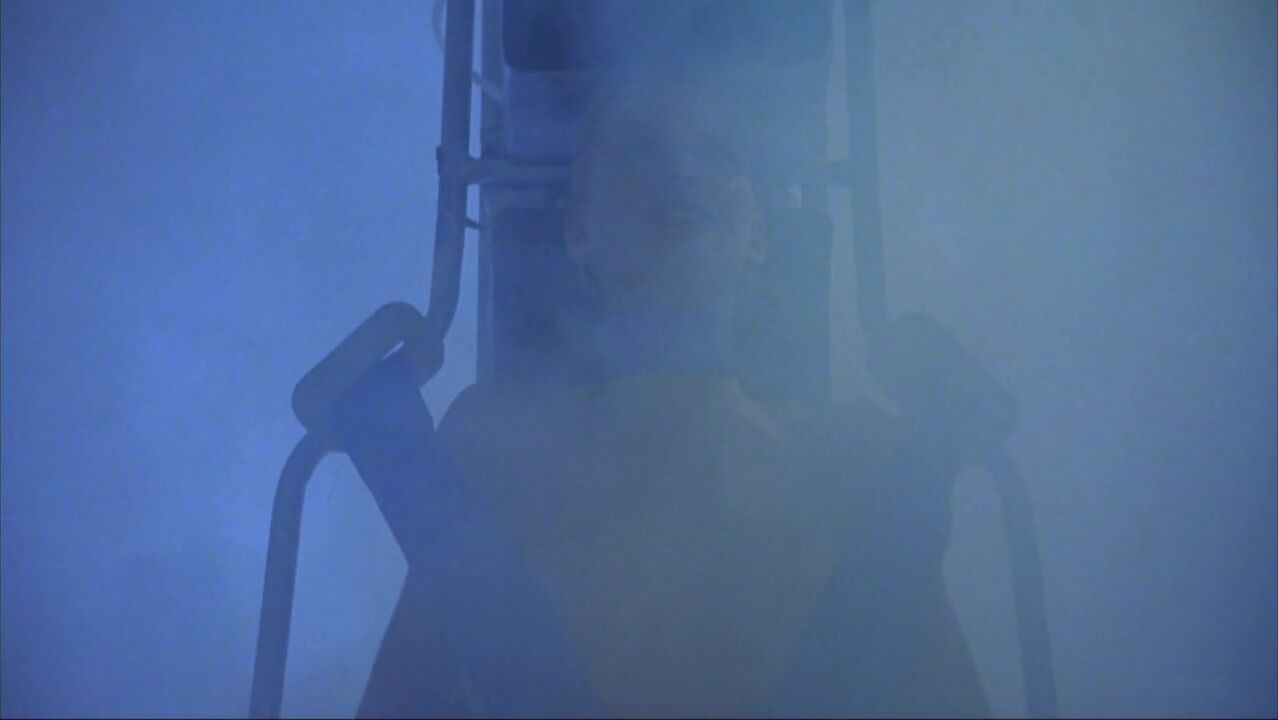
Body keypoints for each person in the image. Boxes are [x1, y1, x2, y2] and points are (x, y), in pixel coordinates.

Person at [357, 66, 990, 718]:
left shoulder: (860, 455)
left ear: (758, 234)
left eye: (715, 154)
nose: (682, 172)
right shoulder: (492, 443)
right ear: (578, 232)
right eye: (641, 148)